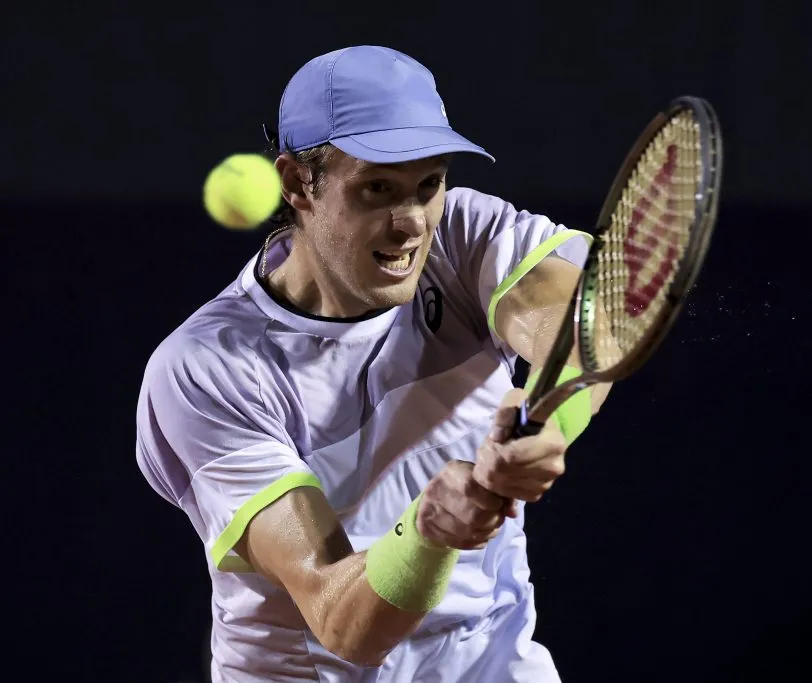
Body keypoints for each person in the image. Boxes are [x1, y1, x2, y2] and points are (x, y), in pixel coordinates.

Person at [136, 45, 611, 682]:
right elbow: (341, 622)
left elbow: (583, 328)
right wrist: (430, 529)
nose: (411, 222)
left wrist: (543, 422)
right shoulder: (205, 369)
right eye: (377, 189)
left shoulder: (465, 238)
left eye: (429, 185)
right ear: (298, 182)